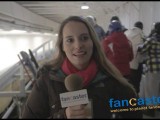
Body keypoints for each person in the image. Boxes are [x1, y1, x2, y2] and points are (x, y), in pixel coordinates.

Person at [22, 16, 142, 119]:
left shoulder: (111, 79)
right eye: (70, 40)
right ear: (62, 46)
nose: (78, 45)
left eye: (84, 38)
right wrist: (63, 116)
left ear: (93, 43)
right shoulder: (47, 79)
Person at [137, 22, 160, 117]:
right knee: (158, 89)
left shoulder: (151, 39)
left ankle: (151, 110)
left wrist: (139, 46)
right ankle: (157, 106)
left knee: (151, 90)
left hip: (153, 68)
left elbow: (142, 49)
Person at [124, 21, 145, 93]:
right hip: (137, 63)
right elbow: (142, 50)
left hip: (126, 63)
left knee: (129, 83)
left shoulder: (126, 33)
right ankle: (135, 100)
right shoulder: (141, 34)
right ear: (142, 28)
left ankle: (129, 99)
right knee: (136, 83)